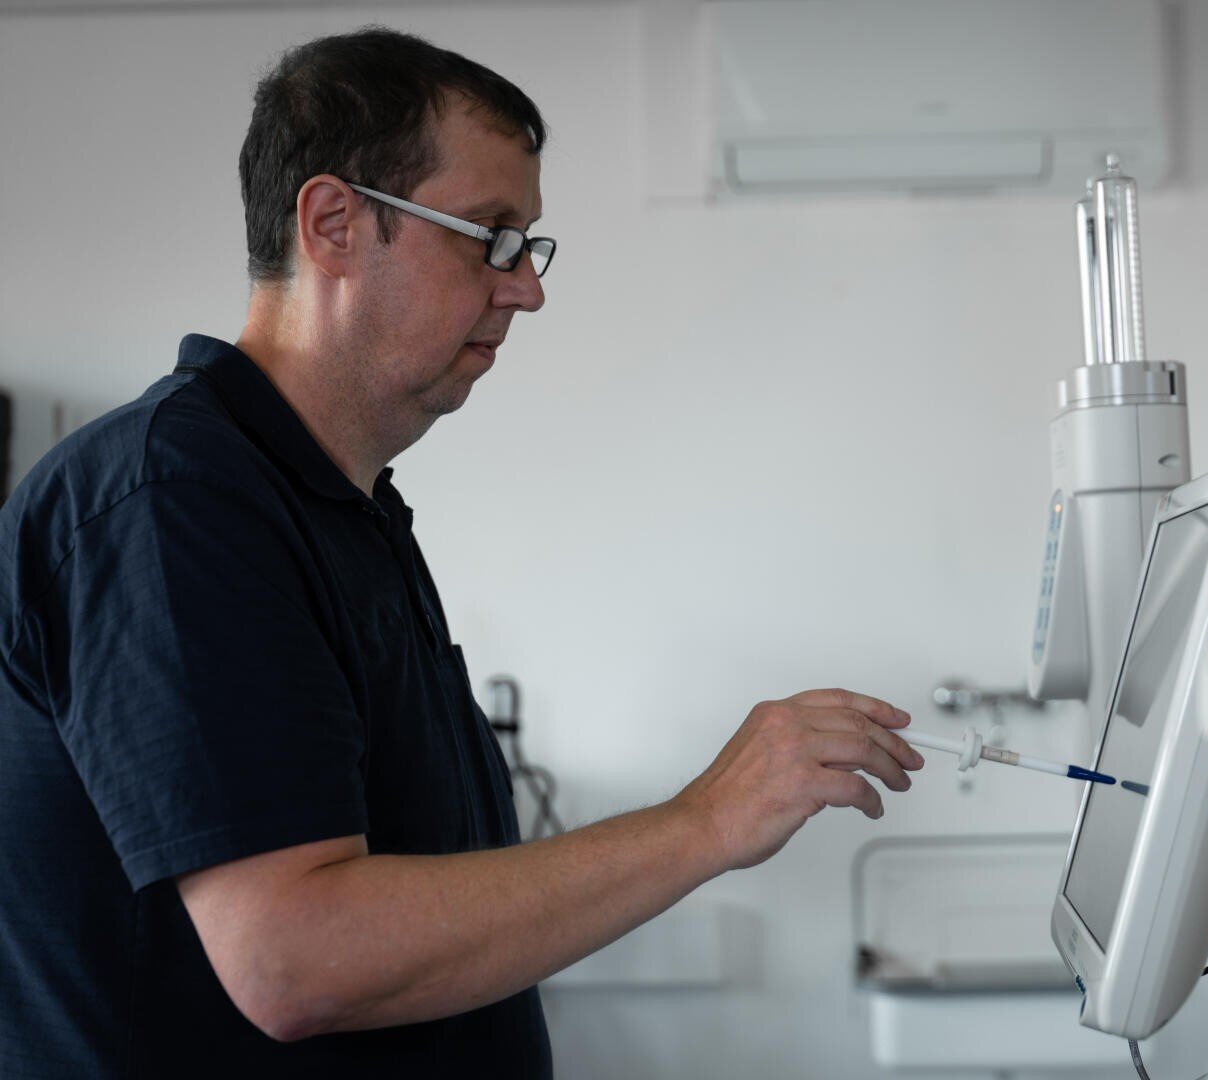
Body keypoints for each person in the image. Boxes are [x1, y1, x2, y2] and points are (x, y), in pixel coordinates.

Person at [0, 27, 923, 1077]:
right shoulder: (170, 502)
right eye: (487, 236)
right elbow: (295, 958)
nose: (525, 287)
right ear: (335, 223)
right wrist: (706, 821)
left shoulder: (343, 511)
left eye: (527, 244)